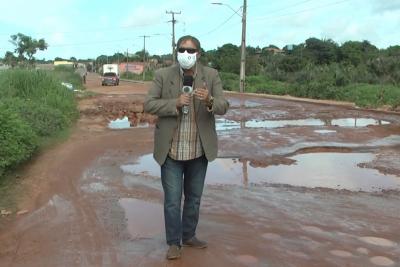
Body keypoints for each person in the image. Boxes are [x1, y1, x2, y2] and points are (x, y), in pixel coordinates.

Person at [144, 35, 229, 260]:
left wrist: (210, 100)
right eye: (182, 50)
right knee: (173, 200)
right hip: (171, 151)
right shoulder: (163, 75)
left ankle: (189, 235)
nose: (186, 54)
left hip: (198, 151)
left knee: (194, 198)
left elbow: (224, 105)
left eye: (191, 51)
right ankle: (174, 243)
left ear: (198, 53)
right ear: (176, 52)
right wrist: (174, 103)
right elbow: (149, 104)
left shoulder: (211, 75)